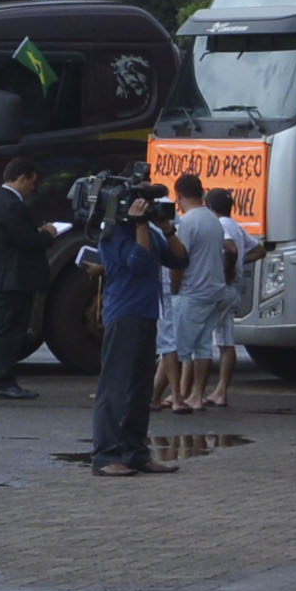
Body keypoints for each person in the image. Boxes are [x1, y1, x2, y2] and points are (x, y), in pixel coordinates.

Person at [78, 183, 176, 475]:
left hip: (146, 314)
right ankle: (106, 455)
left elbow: (179, 258)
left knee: (140, 387)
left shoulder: (149, 231)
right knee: (115, 388)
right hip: (124, 315)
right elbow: (140, 260)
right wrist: (140, 226)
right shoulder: (112, 236)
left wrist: (166, 229)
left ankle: (135, 452)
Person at [0, 166, 50, 399]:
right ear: (21, 177)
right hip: (13, 280)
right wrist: (48, 233)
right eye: (31, 182)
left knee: (1, 331)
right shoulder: (11, 204)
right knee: (10, 332)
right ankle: (3, 381)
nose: (32, 188)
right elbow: (27, 241)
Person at [159, 180, 233, 415]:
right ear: (201, 193)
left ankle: (171, 396)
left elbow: (178, 259)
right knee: (202, 347)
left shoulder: (188, 223)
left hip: (191, 292)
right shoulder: (214, 220)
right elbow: (229, 251)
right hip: (214, 291)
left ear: (178, 195)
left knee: (176, 348)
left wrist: (174, 287)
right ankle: (198, 396)